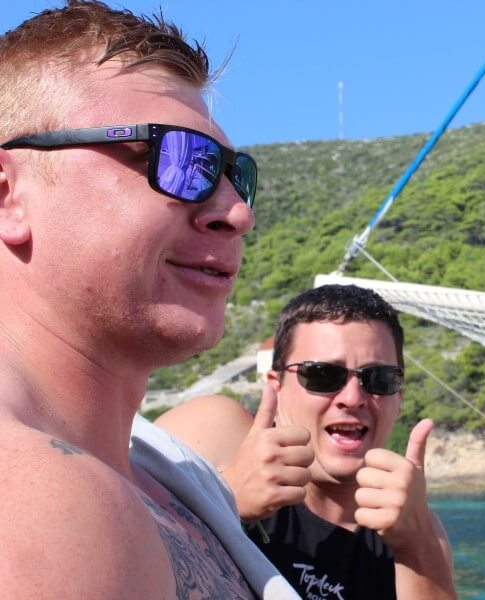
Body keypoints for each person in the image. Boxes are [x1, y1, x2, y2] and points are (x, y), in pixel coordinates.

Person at [0, 2, 301, 598]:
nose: (238, 213)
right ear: (8, 196)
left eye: (234, 173)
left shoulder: (166, 475)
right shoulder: (40, 504)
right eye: (177, 158)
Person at [156, 284, 457, 599]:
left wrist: (416, 548)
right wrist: (226, 499)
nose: (352, 398)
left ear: (399, 397)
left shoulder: (413, 530)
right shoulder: (215, 433)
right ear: (276, 386)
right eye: (322, 375)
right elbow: (120, 534)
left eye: (378, 379)